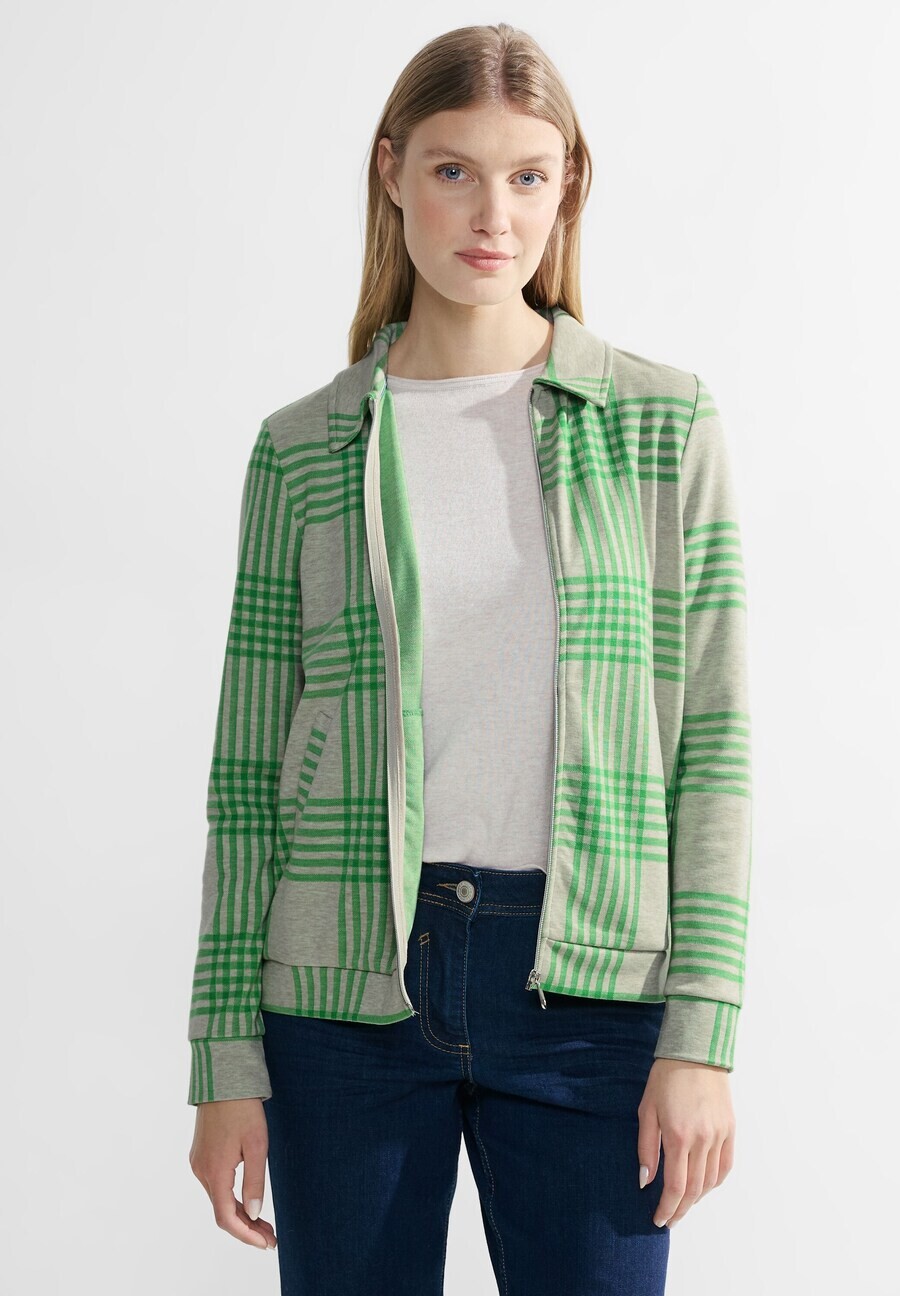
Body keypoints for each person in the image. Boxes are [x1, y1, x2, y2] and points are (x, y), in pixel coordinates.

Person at [187, 22, 751, 1296]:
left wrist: (702, 1035)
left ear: (569, 186)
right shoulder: (303, 449)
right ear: (391, 171)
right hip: (342, 996)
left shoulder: (662, 424)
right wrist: (223, 1058)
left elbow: (713, 749)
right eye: (453, 170)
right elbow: (244, 777)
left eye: (528, 175)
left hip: (591, 994)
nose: (493, 215)